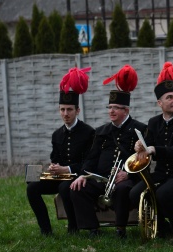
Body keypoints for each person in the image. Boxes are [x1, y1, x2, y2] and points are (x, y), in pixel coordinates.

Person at [70, 65, 146, 238]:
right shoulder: (101, 131)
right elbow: (92, 157)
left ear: (126, 110)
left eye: (116, 108)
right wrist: (83, 175)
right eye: (109, 107)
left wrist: (127, 174)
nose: (111, 111)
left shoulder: (139, 129)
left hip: (125, 177)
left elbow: (143, 160)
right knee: (77, 188)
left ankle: (120, 228)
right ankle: (92, 228)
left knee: (122, 190)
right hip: (101, 177)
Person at [130, 62, 173, 240]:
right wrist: (140, 146)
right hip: (160, 174)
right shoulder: (153, 122)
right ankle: (161, 225)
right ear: (160, 103)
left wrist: (154, 150)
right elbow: (147, 145)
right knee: (135, 193)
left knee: (163, 193)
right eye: (170, 97)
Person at [27, 67, 94, 236]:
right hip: (60, 175)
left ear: (77, 111)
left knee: (65, 187)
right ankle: (46, 230)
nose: (65, 114)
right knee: (31, 186)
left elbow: (89, 162)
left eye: (69, 110)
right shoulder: (57, 134)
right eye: (62, 110)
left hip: (78, 176)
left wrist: (68, 169)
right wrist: (53, 166)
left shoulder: (89, 132)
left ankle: (74, 228)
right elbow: (55, 157)